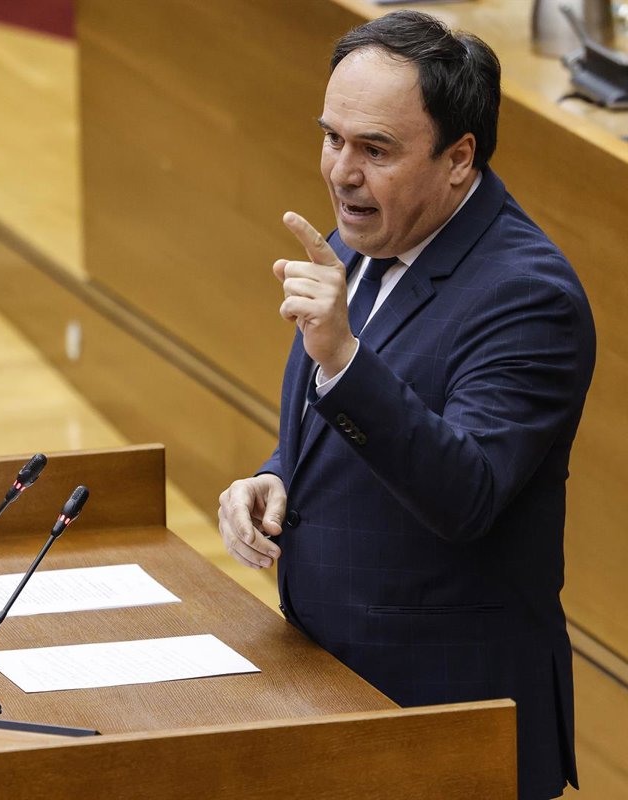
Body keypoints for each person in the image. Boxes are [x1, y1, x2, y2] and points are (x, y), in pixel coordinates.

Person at [217, 11, 594, 799]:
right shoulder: (358, 240)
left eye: (375, 150)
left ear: (459, 159)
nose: (342, 172)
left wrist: (343, 357)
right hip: (330, 683)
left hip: (449, 723)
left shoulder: (528, 297)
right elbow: (346, 421)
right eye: (332, 138)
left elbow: (469, 493)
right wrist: (276, 473)